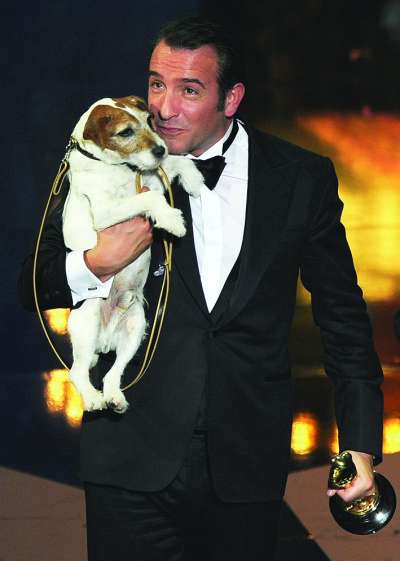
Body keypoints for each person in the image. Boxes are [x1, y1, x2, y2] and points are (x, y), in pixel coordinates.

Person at [19, 16, 384, 561]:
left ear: (230, 98)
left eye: (189, 90)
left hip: (247, 466)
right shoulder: (107, 162)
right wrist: (96, 262)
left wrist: (359, 441)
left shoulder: (300, 178)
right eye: (156, 84)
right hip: (129, 463)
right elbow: (33, 285)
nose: (163, 108)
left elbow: (343, 317)